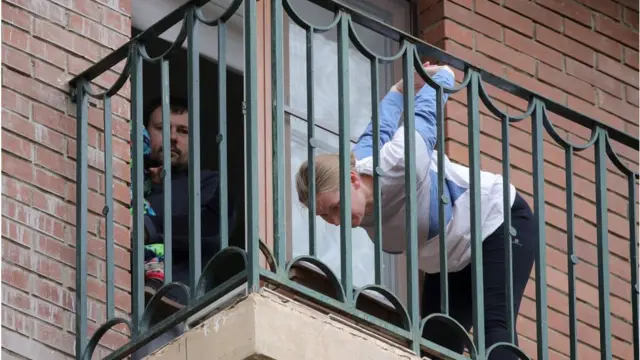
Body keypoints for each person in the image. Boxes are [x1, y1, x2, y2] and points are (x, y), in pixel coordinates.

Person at [294, 63, 535, 359]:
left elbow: (425, 116)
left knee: (495, 333)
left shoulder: (401, 162)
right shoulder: (362, 159)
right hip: (449, 260)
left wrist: (441, 75)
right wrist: (399, 89)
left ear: (353, 180)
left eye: (335, 208)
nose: (335, 221)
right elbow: (380, 126)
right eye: (325, 217)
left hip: (497, 222)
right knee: (434, 345)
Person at [130, 97, 238, 359]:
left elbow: (212, 231)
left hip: (174, 309)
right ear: (146, 133)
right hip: (120, 299)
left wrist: (149, 227)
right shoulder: (129, 178)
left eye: (183, 131)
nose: (173, 137)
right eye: (162, 128)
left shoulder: (207, 182)